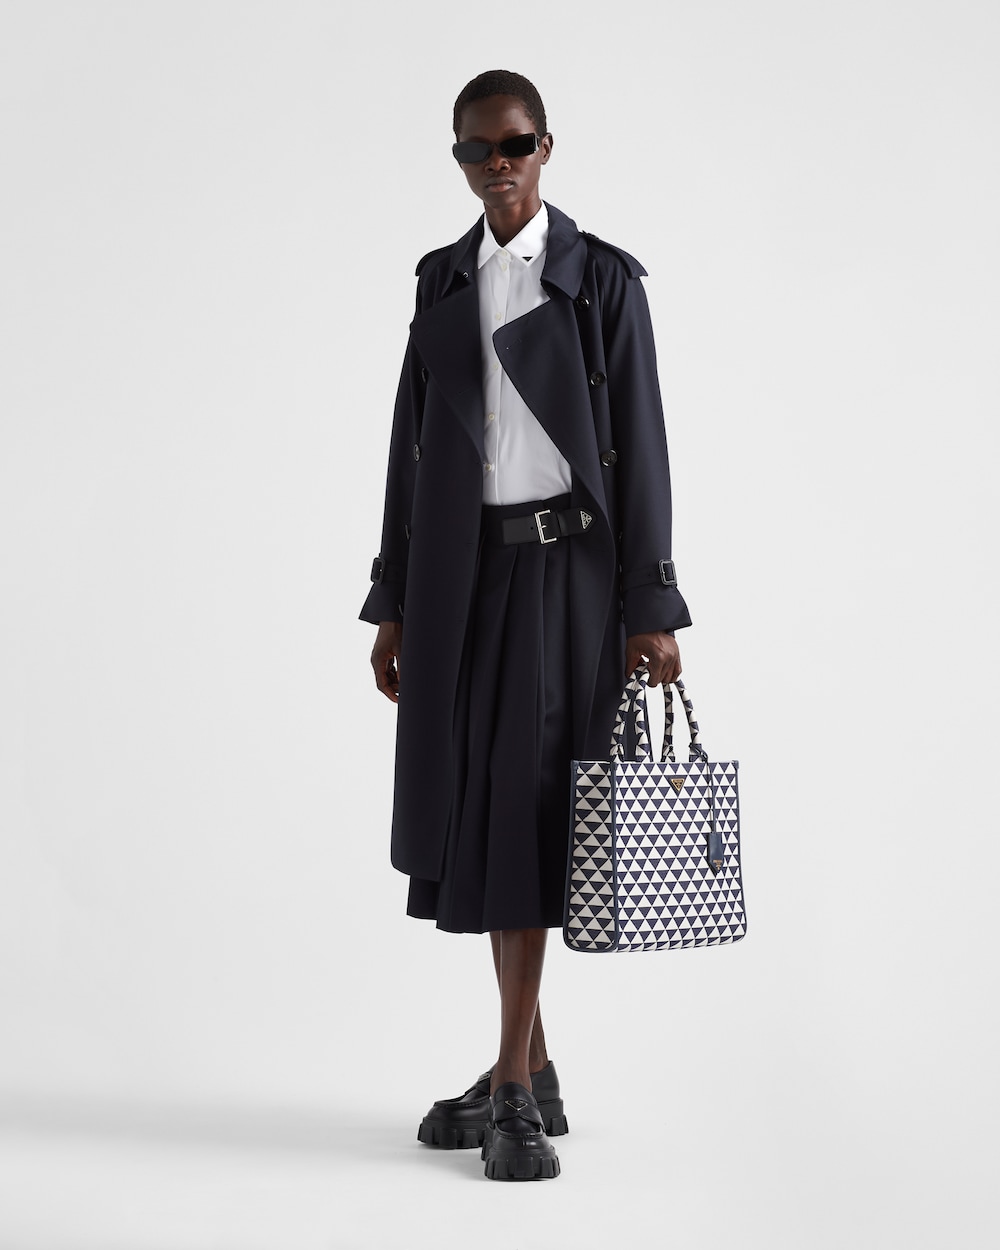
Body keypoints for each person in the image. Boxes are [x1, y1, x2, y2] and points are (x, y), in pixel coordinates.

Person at [360, 69, 692, 1181]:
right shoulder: (443, 278)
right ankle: (532, 1071)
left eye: (513, 145)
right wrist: (392, 598)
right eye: (475, 150)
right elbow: (409, 448)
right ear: (458, 157)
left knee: (529, 811)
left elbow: (642, 443)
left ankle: (511, 1084)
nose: (495, 166)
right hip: (460, 580)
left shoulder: (600, 280)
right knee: (478, 808)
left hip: (568, 581)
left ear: (546, 146)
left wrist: (651, 603)